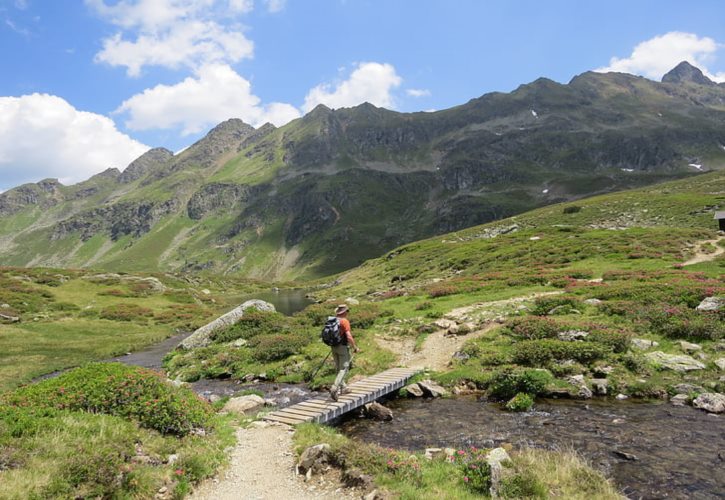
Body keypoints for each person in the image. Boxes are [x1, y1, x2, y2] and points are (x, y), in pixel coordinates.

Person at [330, 304, 360, 401]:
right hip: (342, 347)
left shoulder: (332, 320)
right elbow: (349, 336)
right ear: (344, 312)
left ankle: (344, 388)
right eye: (347, 311)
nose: (348, 313)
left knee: (338, 368)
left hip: (333, 347)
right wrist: (355, 347)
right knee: (344, 368)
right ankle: (335, 388)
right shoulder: (344, 321)